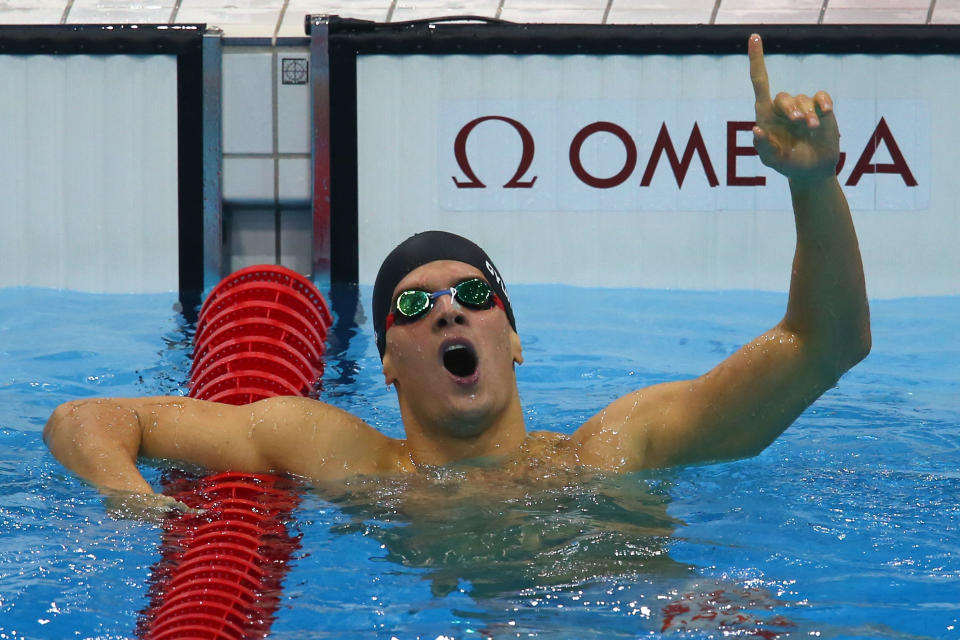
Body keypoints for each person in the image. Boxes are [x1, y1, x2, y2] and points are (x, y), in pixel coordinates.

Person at [43, 34, 870, 513]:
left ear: (512, 337)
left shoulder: (619, 447)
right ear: (388, 361)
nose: (449, 315)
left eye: (473, 297)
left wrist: (813, 184)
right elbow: (91, 417)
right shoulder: (338, 454)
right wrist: (129, 496)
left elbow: (824, 347)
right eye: (416, 305)